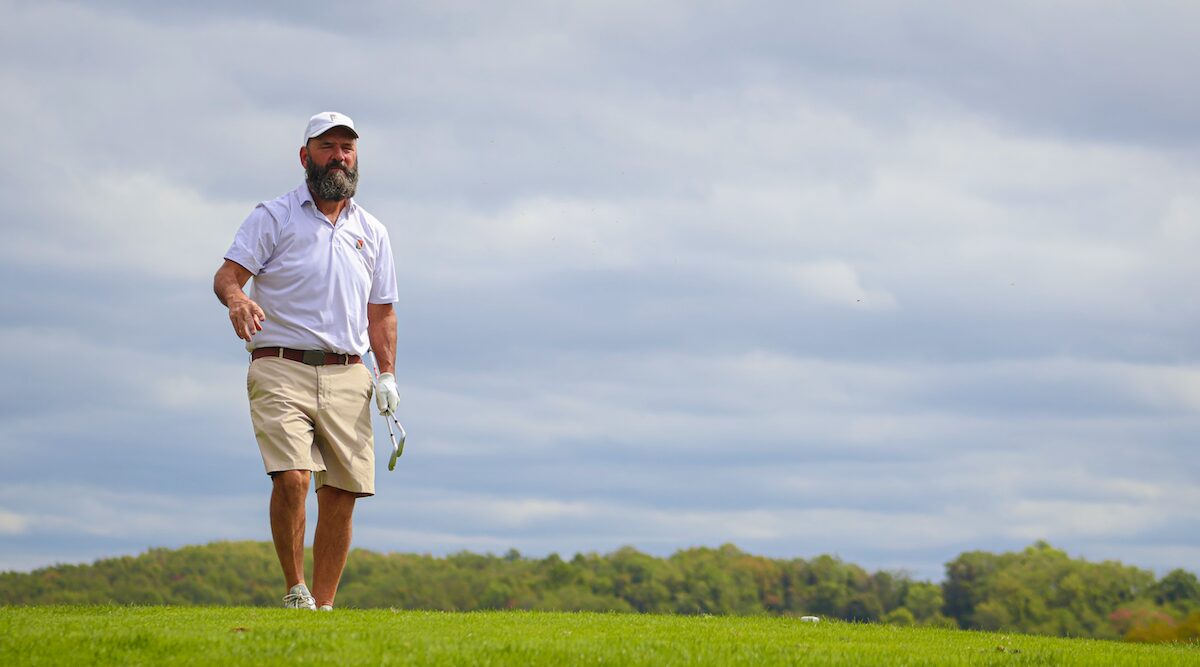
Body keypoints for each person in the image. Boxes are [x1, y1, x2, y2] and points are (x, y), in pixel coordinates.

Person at [213, 111, 400, 610]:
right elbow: (227, 276)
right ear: (305, 156)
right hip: (280, 363)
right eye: (328, 147)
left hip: (347, 372)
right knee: (293, 476)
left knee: (341, 493)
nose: (339, 156)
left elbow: (381, 313)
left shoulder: (373, 232)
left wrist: (386, 375)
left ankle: (323, 607)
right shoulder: (273, 216)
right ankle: (296, 590)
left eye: (347, 149)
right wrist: (236, 299)